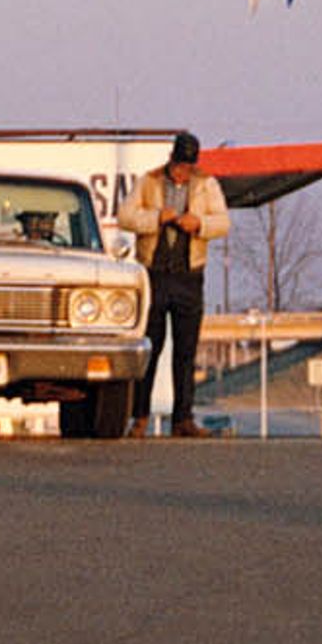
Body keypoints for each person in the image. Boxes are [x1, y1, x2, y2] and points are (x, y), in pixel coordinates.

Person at [139, 151, 226, 434]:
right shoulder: (149, 181)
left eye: (187, 168)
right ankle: (139, 416)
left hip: (190, 275)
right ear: (170, 161)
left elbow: (223, 222)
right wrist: (155, 218)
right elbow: (126, 216)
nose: (181, 174)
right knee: (150, 347)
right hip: (155, 273)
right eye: (178, 167)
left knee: (186, 351)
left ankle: (183, 418)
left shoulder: (207, 184)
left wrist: (199, 224)